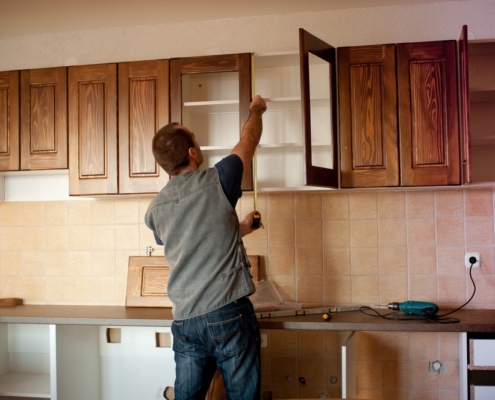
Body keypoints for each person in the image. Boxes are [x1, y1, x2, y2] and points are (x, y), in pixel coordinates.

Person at [145, 95, 267, 400]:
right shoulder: (220, 179)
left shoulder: (155, 210)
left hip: (186, 321)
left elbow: (192, 240)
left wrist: (239, 230)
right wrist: (256, 109)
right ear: (192, 152)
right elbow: (249, 139)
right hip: (228, 313)